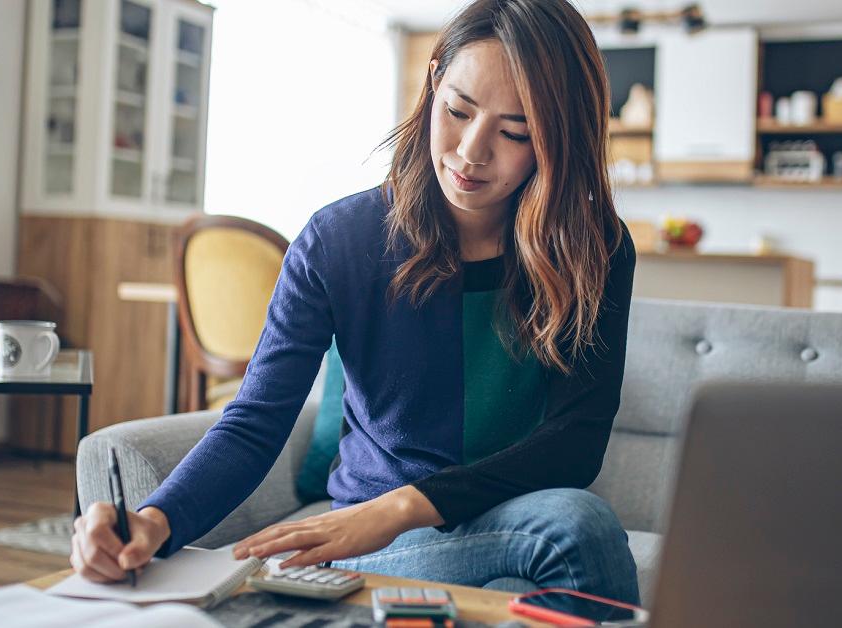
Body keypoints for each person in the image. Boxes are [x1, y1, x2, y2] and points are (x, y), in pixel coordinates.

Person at [70, 0, 639, 603]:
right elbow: (255, 422)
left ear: (558, 138)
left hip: (495, 517)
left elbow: (577, 442)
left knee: (554, 540)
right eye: (457, 110)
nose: (472, 151)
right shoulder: (340, 240)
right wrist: (153, 523)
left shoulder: (592, 248)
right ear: (433, 80)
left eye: (514, 131)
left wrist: (398, 507)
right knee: (577, 532)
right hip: (383, 540)